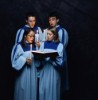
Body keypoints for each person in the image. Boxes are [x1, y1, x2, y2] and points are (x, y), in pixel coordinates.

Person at [43, 12, 69, 92]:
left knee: (57, 83)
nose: (51, 22)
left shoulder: (62, 31)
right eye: (49, 20)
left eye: (53, 19)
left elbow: (62, 46)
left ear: (57, 20)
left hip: (58, 58)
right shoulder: (46, 30)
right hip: (47, 60)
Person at [11, 28, 39, 100]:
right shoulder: (19, 46)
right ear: (25, 36)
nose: (32, 38)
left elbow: (38, 63)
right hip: (23, 73)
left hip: (33, 73)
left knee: (32, 90)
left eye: (33, 36)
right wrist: (24, 60)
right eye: (30, 36)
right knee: (23, 92)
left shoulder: (35, 47)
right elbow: (14, 61)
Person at [39, 28, 64, 100]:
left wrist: (51, 59)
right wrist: (40, 57)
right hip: (44, 69)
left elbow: (60, 60)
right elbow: (40, 54)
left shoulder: (59, 45)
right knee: (43, 89)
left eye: (50, 34)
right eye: (47, 34)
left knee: (52, 88)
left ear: (55, 35)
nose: (48, 36)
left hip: (53, 70)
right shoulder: (44, 44)